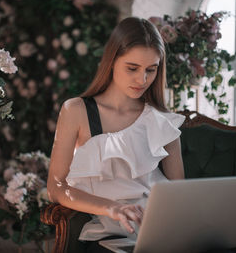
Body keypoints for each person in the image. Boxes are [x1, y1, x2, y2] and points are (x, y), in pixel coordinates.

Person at [47, 17, 186, 252]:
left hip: (162, 234)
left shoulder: (162, 120)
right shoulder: (76, 111)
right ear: (112, 61)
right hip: (111, 237)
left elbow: (179, 193)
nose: (142, 80)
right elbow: (56, 187)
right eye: (132, 68)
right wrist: (111, 208)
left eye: (150, 70)